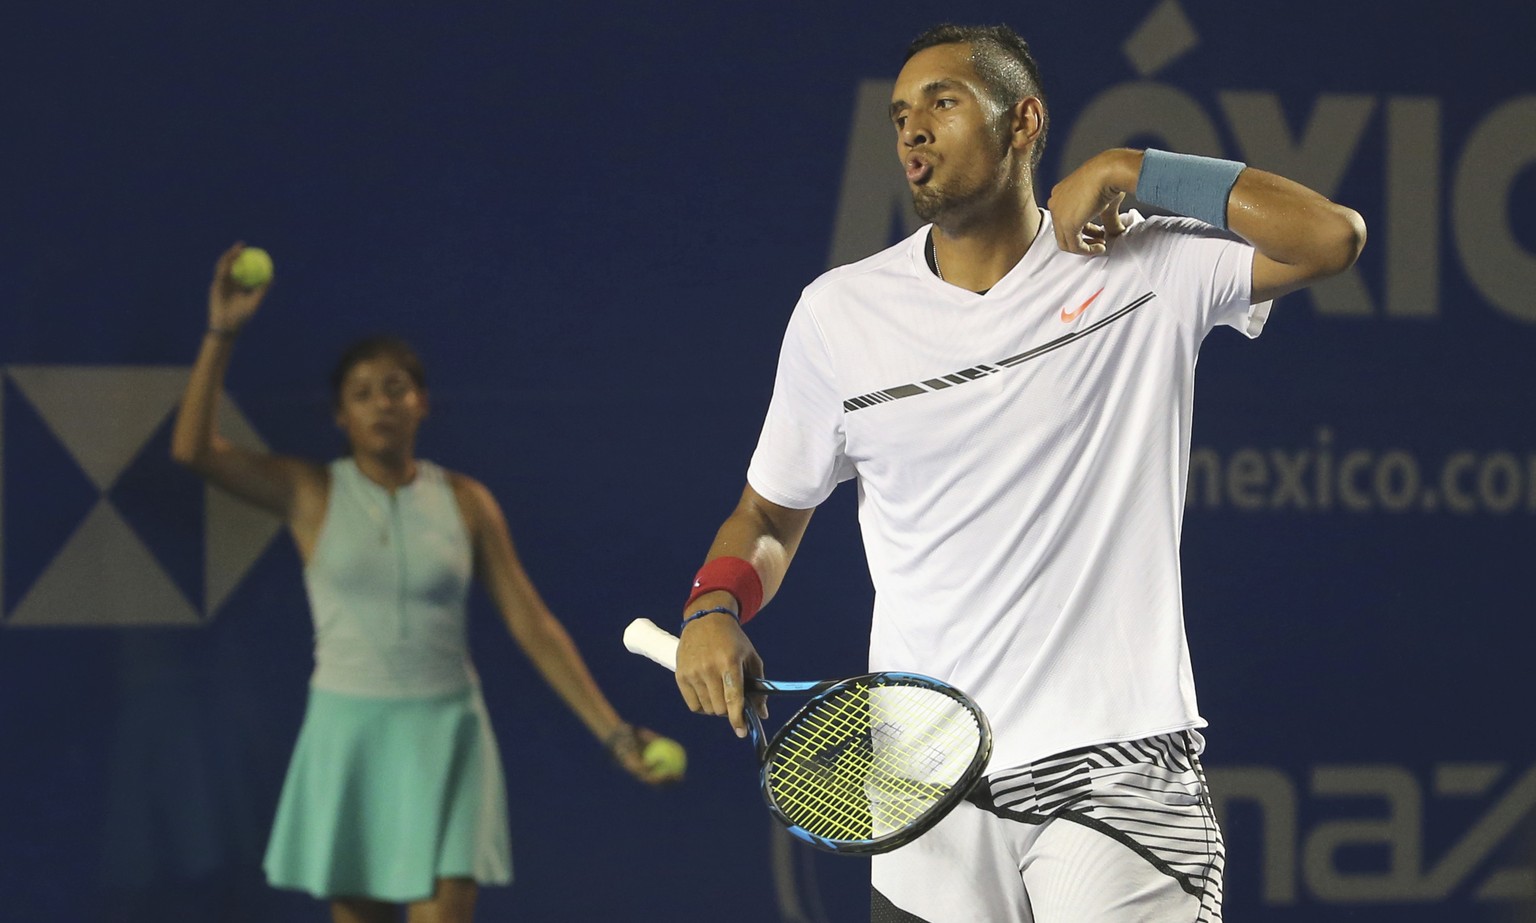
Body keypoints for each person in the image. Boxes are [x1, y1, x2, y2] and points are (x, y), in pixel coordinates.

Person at [672, 23, 1364, 923]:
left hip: (1115, 766)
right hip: (923, 785)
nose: (913, 129)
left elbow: (1330, 236)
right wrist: (711, 607)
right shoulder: (837, 315)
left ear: (1024, 122)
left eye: (944, 102)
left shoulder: (1144, 265)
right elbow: (766, 518)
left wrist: (1135, 169)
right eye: (899, 116)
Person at [172, 243, 683, 923]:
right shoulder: (310, 491)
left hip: (449, 733)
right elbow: (193, 449)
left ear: (421, 403)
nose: (381, 403)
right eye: (361, 393)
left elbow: (531, 622)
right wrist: (222, 328)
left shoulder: (467, 500)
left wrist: (615, 733)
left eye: (395, 388)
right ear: (341, 418)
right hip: (347, 732)